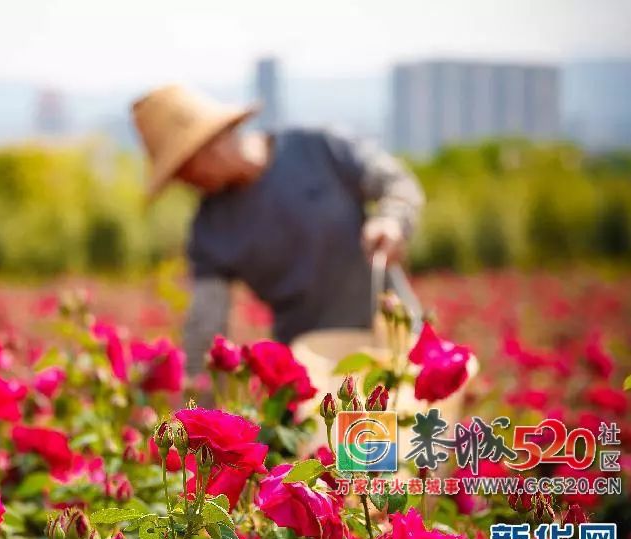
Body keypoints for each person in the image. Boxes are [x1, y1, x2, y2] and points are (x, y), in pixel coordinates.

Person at [131, 84, 425, 375]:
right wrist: (194, 399)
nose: (185, 183)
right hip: (311, 367)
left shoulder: (317, 147)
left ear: (207, 146)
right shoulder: (211, 229)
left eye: (183, 170)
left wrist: (392, 219)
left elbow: (397, 183)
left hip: (395, 338)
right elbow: (206, 323)